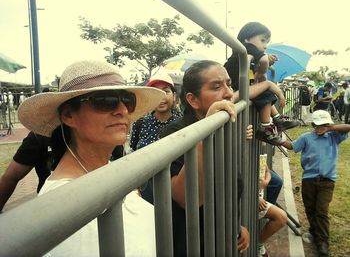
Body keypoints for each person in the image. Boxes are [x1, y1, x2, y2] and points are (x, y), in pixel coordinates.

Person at [17, 60, 165, 256]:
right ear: (69, 115)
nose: (122, 110)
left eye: (128, 100)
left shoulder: (107, 169)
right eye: (105, 100)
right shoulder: (64, 205)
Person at [159, 60, 256, 256]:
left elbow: (228, 185)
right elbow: (185, 198)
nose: (229, 93)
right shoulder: (175, 134)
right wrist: (205, 133)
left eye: (229, 84)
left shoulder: (224, 127)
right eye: (216, 86)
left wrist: (236, 227)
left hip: (224, 239)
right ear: (193, 100)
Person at [281, 110, 350, 256]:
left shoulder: (333, 137)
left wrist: (329, 128)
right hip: (309, 180)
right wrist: (275, 140)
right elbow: (292, 146)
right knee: (310, 208)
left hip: (327, 181)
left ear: (329, 124)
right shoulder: (306, 137)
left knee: (322, 211)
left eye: (324, 125)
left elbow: (347, 127)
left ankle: (323, 241)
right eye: (317, 125)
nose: (320, 128)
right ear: (313, 124)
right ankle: (314, 231)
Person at [224, 22, 300, 145]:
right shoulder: (246, 47)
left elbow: (258, 80)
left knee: (264, 90)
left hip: (237, 88)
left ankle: (276, 120)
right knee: (266, 88)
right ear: (247, 38)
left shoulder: (247, 55)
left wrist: (261, 71)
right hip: (235, 90)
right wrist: (263, 66)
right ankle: (266, 127)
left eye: (267, 43)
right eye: (262, 40)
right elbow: (264, 61)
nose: (265, 46)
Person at [130, 72, 182, 203]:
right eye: (156, 93)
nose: (161, 97)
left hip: (174, 190)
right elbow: (133, 153)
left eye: (166, 91)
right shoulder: (140, 122)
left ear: (174, 96)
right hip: (145, 189)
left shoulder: (182, 124)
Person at [258, 154, 288, 257]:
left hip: (259, 200)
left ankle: (258, 244)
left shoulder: (256, 153)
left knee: (282, 217)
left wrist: (266, 182)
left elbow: (267, 171)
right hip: (250, 200)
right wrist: (254, 197)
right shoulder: (236, 153)